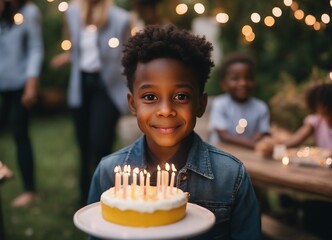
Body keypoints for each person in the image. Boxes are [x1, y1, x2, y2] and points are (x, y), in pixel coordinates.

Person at [88, 24, 261, 239]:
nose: (166, 111)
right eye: (150, 97)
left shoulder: (231, 176)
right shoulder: (108, 173)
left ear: (201, 104)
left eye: (181, 96)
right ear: (133, 104)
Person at [51, 0, 131, 204]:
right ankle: (84, 195)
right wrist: (68, 56)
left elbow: (128, 54)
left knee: (100, 143)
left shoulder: (120, 18)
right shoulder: (72, 13)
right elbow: (78, 48)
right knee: (83, 143)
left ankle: (104, 194)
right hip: (81, 85)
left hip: (107, 87)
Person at [0, 0, 43, 207]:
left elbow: (36, 48)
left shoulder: (29, 12)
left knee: (19, 133)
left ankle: (30, 189)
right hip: (1, 84)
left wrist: (31, 83)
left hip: (20, 85)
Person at [208, 52, 270, 149]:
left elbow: (262, 132)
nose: (243, 83)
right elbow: (223, 135)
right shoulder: (220, 104)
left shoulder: (261, 107)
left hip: (250, 156)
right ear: (223, 84)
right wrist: (252, 144)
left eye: (248, 78)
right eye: (235, 78)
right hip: (221, 153)